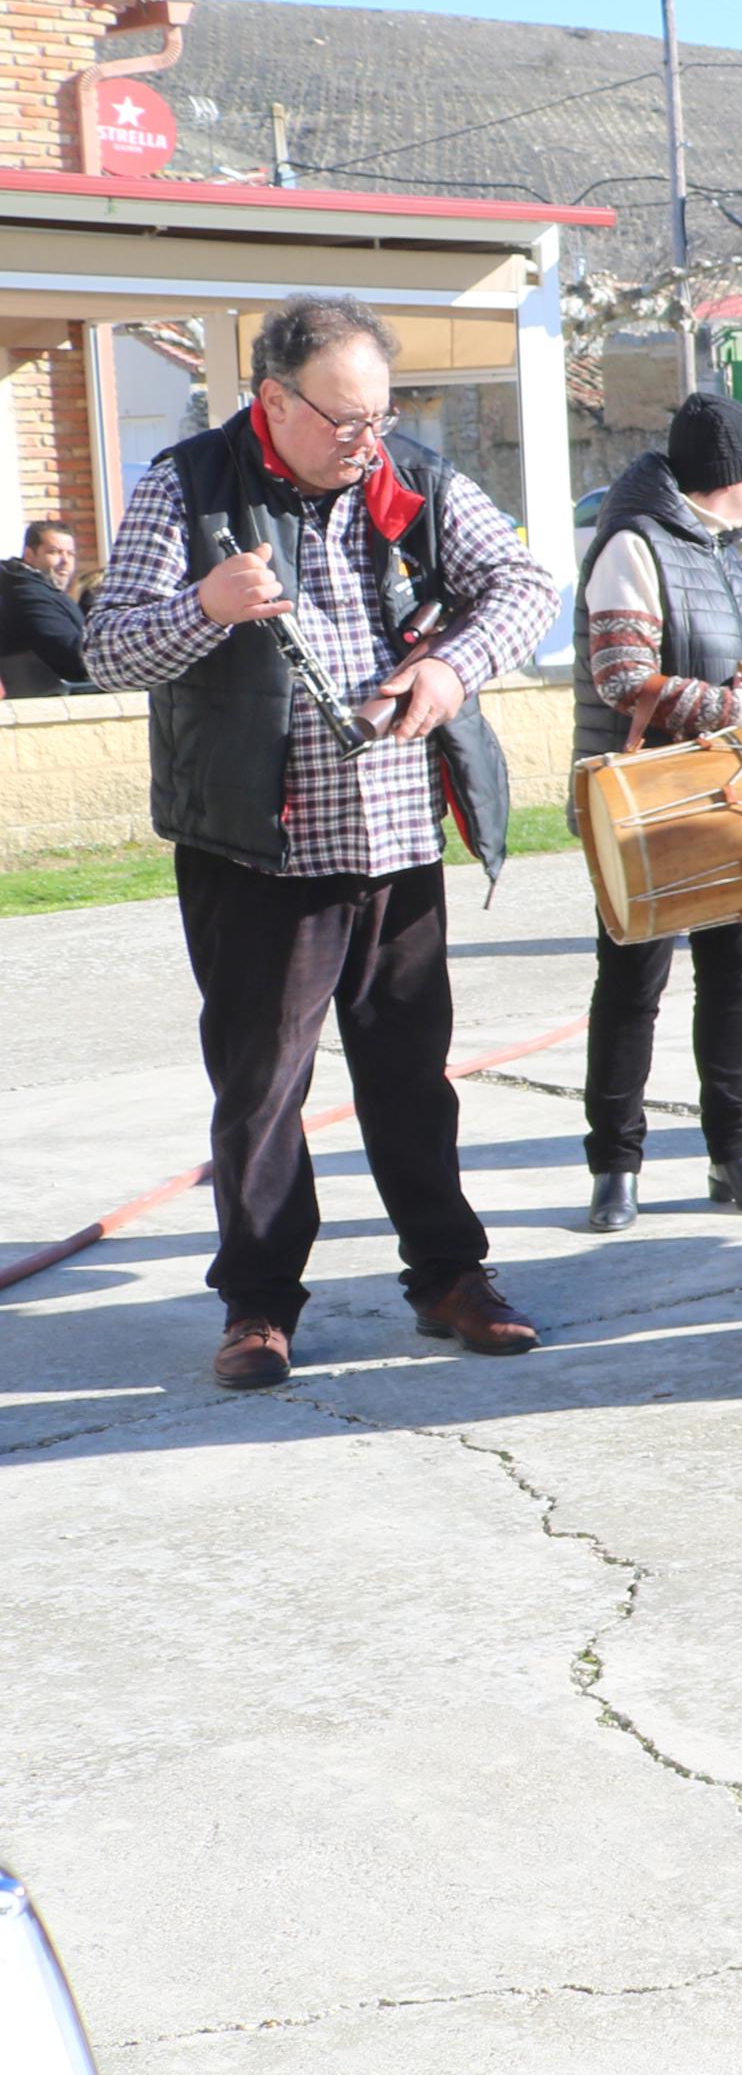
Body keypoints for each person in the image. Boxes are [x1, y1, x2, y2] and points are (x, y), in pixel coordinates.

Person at [83, 293, 565, 1391]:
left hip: (396, 837)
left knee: (410, 1075)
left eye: (382, 416)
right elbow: (108, 652)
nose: (367, 441)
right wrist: (207, 603)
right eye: (345, 420)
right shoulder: (188, 484)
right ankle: (257, 1304)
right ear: (272, 401)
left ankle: (448, 1275)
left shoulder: (415, 478)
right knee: (261, 1087)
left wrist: (451, 668)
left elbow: (527, 583)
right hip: (256, 848)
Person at [574, 392, 742, 1232]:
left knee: (733, 980)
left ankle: (733, 1152)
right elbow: (620, 674)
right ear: (732, 477)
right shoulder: (632, 547)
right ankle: (615, 1163)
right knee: (632, 985)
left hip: (732, 799)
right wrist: (735, 708)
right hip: (649, 808)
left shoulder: (736, 562)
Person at [0, 520, 86, 696]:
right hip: (58, 701)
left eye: (71, 554)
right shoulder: (28, 596)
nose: (65, 561)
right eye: (54, 552)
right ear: (29, 555)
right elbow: (70, 653)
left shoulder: (44, 593)